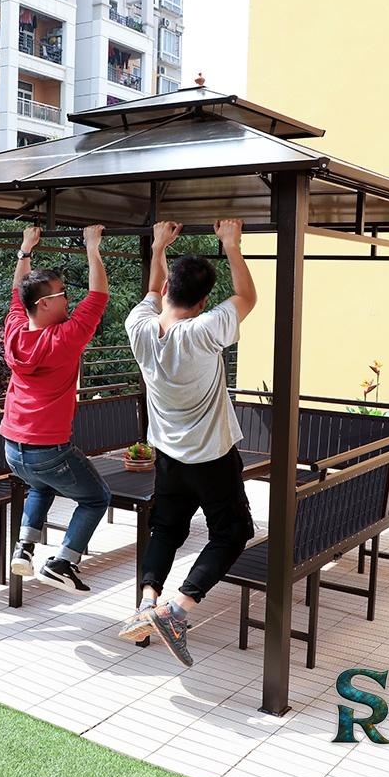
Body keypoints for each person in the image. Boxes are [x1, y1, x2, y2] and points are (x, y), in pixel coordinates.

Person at [119, 219, 258, 667]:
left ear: (168, 290)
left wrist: (159, 246)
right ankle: (176, 611)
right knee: (233, 532)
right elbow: (247, 297)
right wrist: (231, 244)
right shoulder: (204, 330)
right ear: (201, 303)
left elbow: (151, 291)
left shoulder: (139, 326)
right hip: (212, 458)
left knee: (166, 529)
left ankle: (146, 603)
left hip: (168, 458)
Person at [1, 225, 112, 594]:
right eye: (63, 295)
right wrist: (92, 247)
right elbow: (98, 296)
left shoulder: (15, 329)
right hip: (48, 450)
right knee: (96, 498)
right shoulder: (64, 338)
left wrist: (25, 249)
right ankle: (63, 563)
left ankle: (24, 547)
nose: (68, 300)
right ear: (44, 304)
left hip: (13, 448)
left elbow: (17, 294)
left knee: (40, 485)